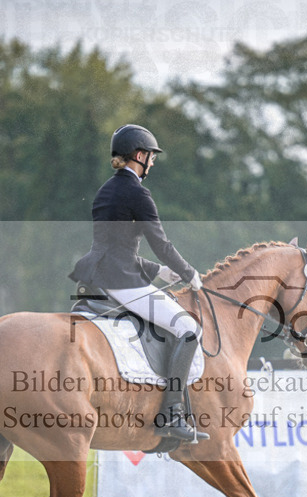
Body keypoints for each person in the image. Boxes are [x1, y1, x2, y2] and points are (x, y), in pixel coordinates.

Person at [70, 124, 208, 442]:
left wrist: (158, 270)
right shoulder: (137, 192)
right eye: (152, 157)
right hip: (121, 282)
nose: (154, 163)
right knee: (189, 330)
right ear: (140, 155)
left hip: (100, 275)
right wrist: (189, 274)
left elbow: (114, 246)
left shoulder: (106, 190)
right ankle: (172, 413)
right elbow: (161, 241)